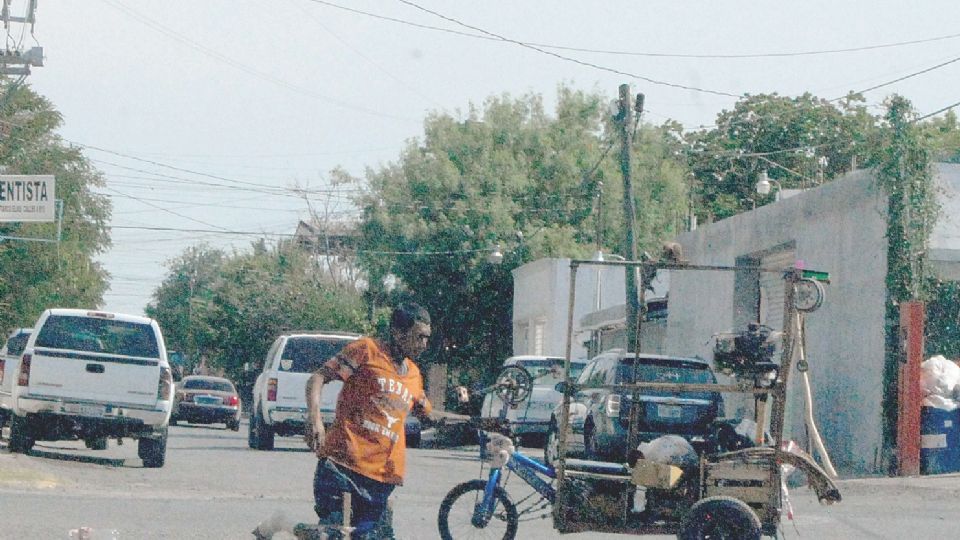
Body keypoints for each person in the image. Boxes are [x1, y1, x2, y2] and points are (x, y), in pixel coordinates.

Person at [304, 302, 437, 539]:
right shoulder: (366, 350)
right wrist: (314, 419)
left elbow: (431, 415)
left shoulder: (414, 374)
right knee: (335, 535)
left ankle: (284, 525)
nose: (424, 344)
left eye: (427, 338)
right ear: (397, 332)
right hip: (342, 468)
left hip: (381, 479)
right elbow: (318, 378)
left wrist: (478, 421)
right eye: (419, 337)